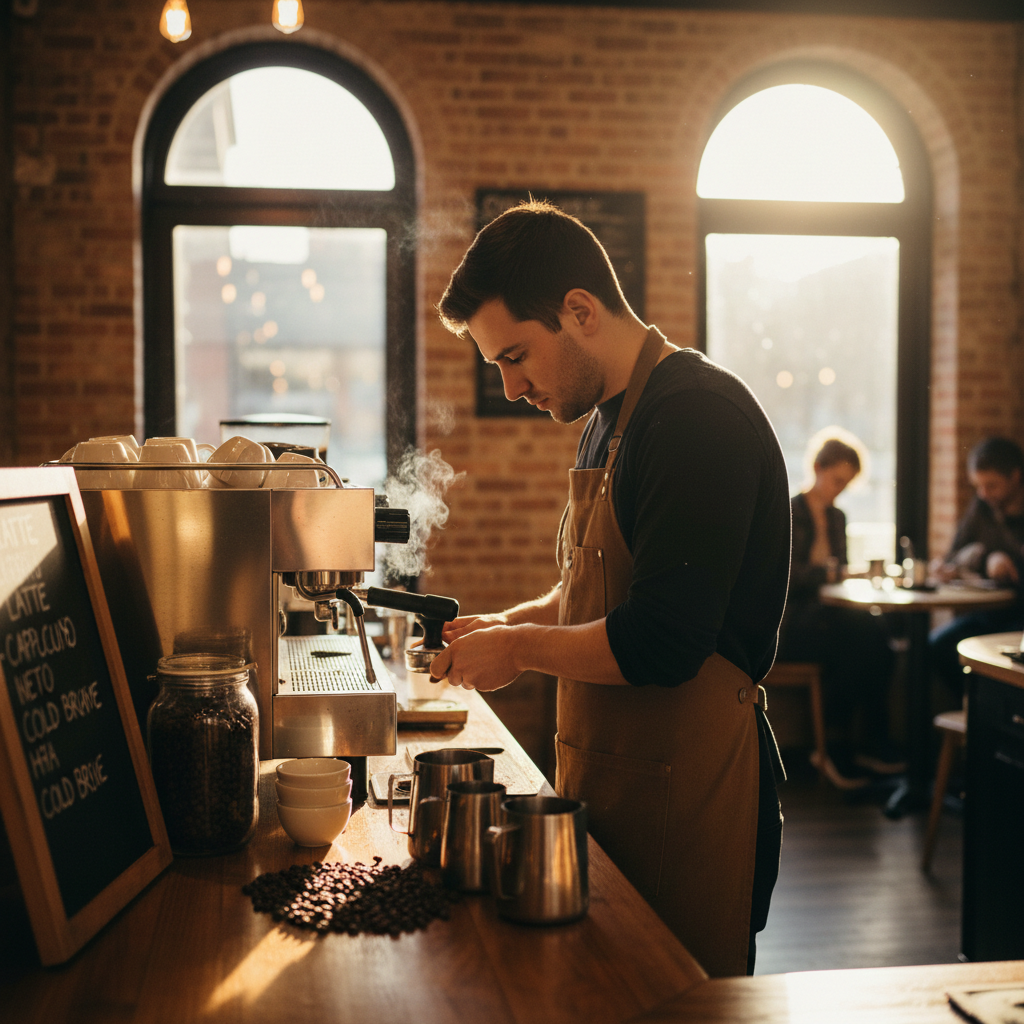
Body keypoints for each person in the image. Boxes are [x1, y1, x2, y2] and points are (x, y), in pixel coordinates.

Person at [431, 201, 791, 978]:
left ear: (581, 311)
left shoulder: (696, 419)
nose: (511, 384)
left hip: (690, 797)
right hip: (613, 781)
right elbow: (594, 597)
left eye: (517, 355)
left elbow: (660, 639)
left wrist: (520, 649)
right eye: (498, 363)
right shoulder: (606, 419)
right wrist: (505, 622)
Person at [780, 435, 901, 789]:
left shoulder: (837, 517)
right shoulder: (790, 511)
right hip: (793, 621)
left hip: (826, 616)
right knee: (867, 642)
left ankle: (851, 746)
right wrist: (831, 573)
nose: (840, 490)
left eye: (846, 484)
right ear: (818, 469)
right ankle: (841, 747)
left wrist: (839, 574)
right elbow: (788, 576)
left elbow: (839, 573)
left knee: (877, 640)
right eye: (837, 480)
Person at [928, 437, 1024, 697]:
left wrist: (1010, 563)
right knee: (939, 644)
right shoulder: (982, 506)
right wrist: (985, 558)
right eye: (978, 486)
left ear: (1015, 477)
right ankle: (977, 715)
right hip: (991, 612)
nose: (983, 493)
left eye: (991, 485)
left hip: (1019, 615)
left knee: (998, 660)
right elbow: (954, 555)